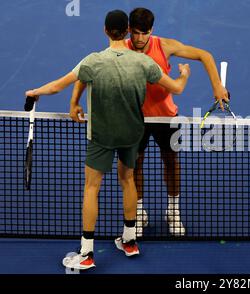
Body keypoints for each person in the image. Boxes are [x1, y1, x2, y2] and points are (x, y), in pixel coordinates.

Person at [25, 10, 191, 270]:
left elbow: (57, 85)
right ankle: (130, 240)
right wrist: (184, 73)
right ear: (127, 32)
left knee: (92, 188)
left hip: (101, 136)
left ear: (104, 30)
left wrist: (35, 93)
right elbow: (178, 88)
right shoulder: (143, 63)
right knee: (127, 181)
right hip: (131, 134)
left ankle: (87, 253)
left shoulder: (93, 61)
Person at [72, 7, 229, 237]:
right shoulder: (119, 50)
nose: (139, 38)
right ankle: (139, 211)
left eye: (144, 33)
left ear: (151, 31)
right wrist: (76, 101)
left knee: (171, 162)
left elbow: (204, 55)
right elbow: (89, 72)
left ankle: (173, 211)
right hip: (135, 119)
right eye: (135, 33)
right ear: (128, 31)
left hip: (166, 117)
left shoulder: (164, 46)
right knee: (135, 165)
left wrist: (217, 86)